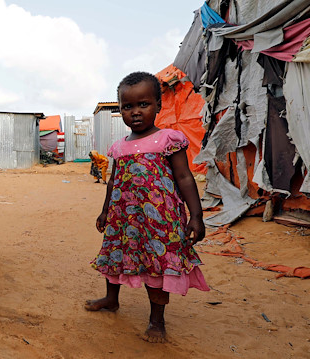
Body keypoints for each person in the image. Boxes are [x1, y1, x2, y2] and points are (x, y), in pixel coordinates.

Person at [86, 71, 209, 343]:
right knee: (114, 255)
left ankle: (156, 320)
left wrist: (196, 216)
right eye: (127, 107)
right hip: (123, 219)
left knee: (158, 265)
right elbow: (113, 181)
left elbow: (184, 177)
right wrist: (105, 211)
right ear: (120, 111)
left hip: (159, 222)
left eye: (144, 104)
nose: (136, 112)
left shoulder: (168, 139)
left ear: (158, 105)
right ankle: (111, 299)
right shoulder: (118, 147)